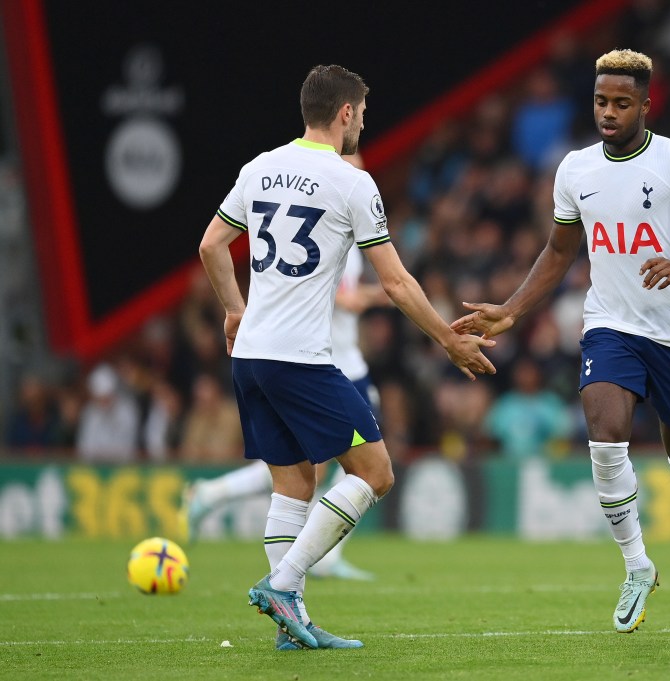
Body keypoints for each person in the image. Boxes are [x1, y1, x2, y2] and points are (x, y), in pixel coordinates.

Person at [198, 64, 495, 651]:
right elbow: (397, 284)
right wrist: (448, 338)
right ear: (344, 114)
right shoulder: (352, 182)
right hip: (301, 359)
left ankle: (291, 624)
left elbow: (210, 245)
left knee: (293, 486)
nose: (363, 121)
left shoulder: (259, 167)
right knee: (376, 472)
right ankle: (284, 585)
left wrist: (234, 311)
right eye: (362, 111)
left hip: (252, 357)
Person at [453, 49, 670, 640]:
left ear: (644, 104)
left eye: (620, 103)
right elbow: (560, 251)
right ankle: (638, 566)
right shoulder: (575, 170)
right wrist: (511, 309)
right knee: (604, 438)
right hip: (610, 325)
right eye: (600, 102)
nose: (607, 113)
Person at [182, 242, 387, 581]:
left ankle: (214, 495)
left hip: (342, 365)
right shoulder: (335, 236)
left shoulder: (342, 240)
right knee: (342, 469)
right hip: (330, 368)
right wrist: (389, 293)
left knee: (317, 469)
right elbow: (343, 298)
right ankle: (311, 562)